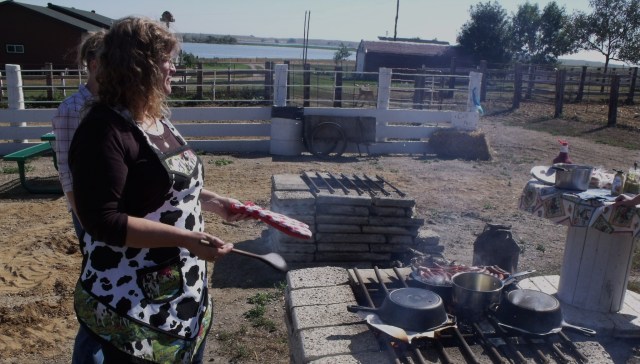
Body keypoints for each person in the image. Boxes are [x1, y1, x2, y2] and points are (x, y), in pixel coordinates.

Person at [68, 17, 246, 363]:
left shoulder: (154, 119)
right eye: (167, 60)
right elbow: (104, 221)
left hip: (180, 293)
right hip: (131, 302)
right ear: (139, 66)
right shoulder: (103, 131)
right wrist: (186, 239)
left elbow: (166, 188)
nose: (174, 68)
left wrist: (216, 202)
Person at [51, 30, 104, 238]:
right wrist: (83, 217)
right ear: (95, 65)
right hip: (89, 203)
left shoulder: (119, 104)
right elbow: (65, 168)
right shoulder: (71, 109)